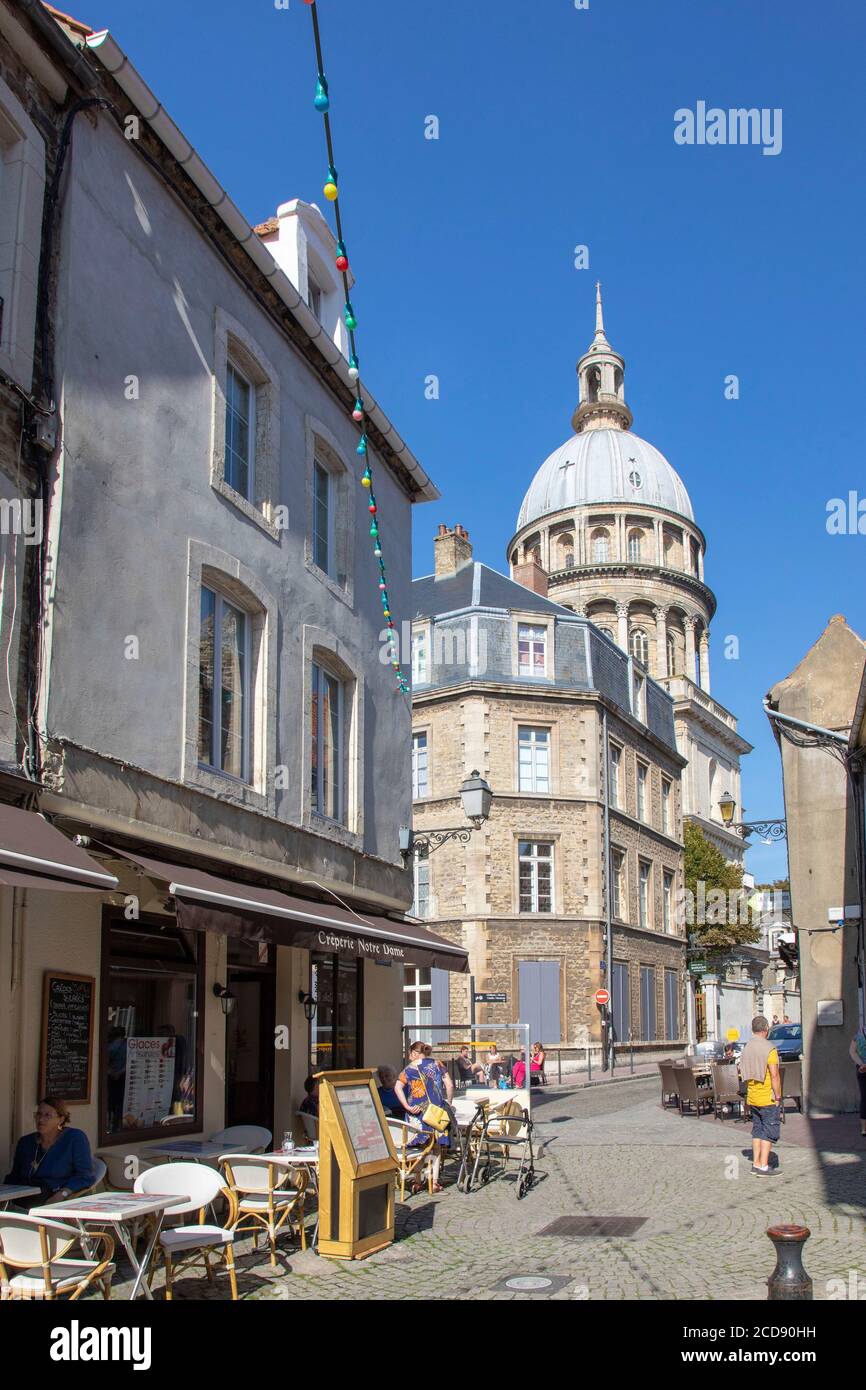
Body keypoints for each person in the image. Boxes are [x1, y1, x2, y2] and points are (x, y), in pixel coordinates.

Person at [4, 1097, 95, 1210]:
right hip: (25, 1197)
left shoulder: (75, 1138)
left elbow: (84, 1176)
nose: (41, 1119)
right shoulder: (26, 1142)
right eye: (38, 1114)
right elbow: (14, 1177)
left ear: (61, 1119)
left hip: (57, 1198)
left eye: (47, 1115)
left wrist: (62, 1194)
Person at [395, 1039, 454, 1191]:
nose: (409, 1057)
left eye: (410, 1054)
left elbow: (397, 1087)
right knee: (436, 1147)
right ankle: (433, 1182)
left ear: (415, 1053)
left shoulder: (409, 1069)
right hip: (436, 1111)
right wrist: (449, 1102)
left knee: (419, 1146)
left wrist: (407, 1106)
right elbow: (450, 1085)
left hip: (417, 1112)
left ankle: (417, 1180)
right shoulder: (437, 1064)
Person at [740, 1016, 781, 1176]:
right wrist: (778, 1096)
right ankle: (763, 1166)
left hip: (752, 1096)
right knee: (769, 1130)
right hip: (767, 1097)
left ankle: (756, 1163)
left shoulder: (747, 1047)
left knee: (757, 1129)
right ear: (766, 1029)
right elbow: (775, 1074)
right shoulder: (769, 1048)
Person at [849, 1023, 866, 1138]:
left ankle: (864, 1129)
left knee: (865, 1098)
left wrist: (861, 1064)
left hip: (862, 1069)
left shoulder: (859, 1034)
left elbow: (852, 1051)